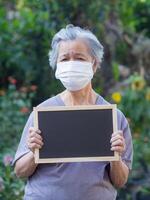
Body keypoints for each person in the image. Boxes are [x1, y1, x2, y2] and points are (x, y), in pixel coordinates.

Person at [13, 24, 133, 200]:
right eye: (64, 59)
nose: (71, 64)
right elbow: (20, 171)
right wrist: (33, 152)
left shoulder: (114, 117)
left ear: (94, 63)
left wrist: (115, 156)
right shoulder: (43, 113)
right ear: (56, 66)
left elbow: (120, 181)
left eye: (79, 58)